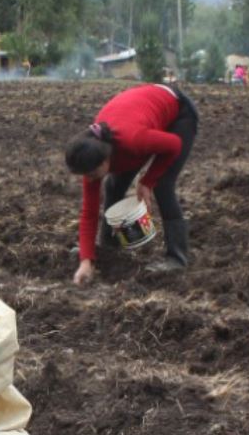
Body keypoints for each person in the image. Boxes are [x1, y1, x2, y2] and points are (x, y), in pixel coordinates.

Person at [65, 81, 197, 283]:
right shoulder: (93, 154)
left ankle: (176, 258)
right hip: (141, 118)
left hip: (178, 112)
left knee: (163, 185)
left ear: (106, 160)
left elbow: (174, 145)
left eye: (92, 174)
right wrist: (86, 260)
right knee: (113, 186)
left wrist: (148, 180)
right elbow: (89, 213)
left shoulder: (133, 140)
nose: (90, 179)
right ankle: (109, 248)